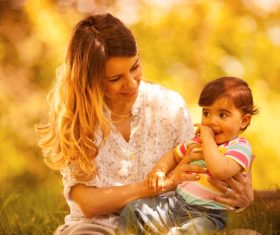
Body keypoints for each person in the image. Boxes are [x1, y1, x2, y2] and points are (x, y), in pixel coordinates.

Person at [36, 13, 254, 235]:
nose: (131, 84)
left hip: (163, 220)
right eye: (115, 78)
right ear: (91, 80)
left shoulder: (169, 106)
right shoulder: (76, 122)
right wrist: (164, 183)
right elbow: (89, 204)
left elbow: (206, 164)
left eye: (134, 67)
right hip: (98, 227)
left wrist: (243, 194)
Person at [118, 77, 258, 234]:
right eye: (206, 113)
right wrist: (159, 170)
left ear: (244, 121)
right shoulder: (197, 142)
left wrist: (207, 140)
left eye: (222, 115)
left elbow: (219, 170)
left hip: (210, 215)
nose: (211, 121)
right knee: (134, 209)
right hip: (176, 204)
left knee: (193, 231)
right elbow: (174, 155)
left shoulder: (239, 147)